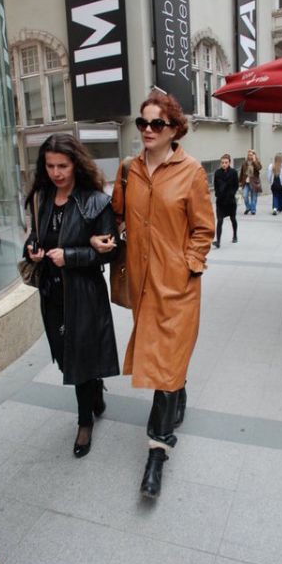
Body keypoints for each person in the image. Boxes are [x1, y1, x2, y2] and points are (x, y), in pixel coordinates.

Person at [94, 90, 214, 499]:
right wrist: (106, 236)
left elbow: (204, 228)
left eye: (156, 123)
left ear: (174, 129)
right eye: (142, 122)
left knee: (166, 362)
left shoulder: (191, 172)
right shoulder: (128, 169)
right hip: (143, 283)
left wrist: (189, 265)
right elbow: (116, 213)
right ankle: (178, 387)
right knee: (168, 360)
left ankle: (156, 454)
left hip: (178, 287)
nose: (147, 129)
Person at [23, 133, 120, 459]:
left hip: (84, 294)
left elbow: (110, 252)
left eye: (62, 166)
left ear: (75, 164)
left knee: (78, 358)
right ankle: (95, 386)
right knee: (65, 356)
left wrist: (71, 256)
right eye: (50, 166)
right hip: (52, 292)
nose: (56, 173)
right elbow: (35, 236)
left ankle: (84, 423)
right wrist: (32, 249)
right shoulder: (42, 197)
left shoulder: (95, 201)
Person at [212, 153, 238, 247]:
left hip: (230, 201)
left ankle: (235, 235)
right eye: (222, 162)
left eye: (226, 162)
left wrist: (232, 194)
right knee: (219, 221)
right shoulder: (217, 173)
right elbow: (215, 185)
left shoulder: (233, 172)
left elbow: (236, 185)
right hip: (220, 201)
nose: (224, 164)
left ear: (229, 163)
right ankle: (218, 241)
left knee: (233, 219)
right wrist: (217, 194)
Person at [239, 149, 262, 215]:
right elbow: (241, 173)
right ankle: (248, 207)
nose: (250, 156)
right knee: (245, 196)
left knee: (254, 197)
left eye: (251, 155)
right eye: (249, 155)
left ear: (254, 155)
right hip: (246, 182)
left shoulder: (257, 162)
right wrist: (240, 182)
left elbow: (259, 168)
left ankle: (253, 210)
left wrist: (254, 161)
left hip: (254, 183)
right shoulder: (244, 163)